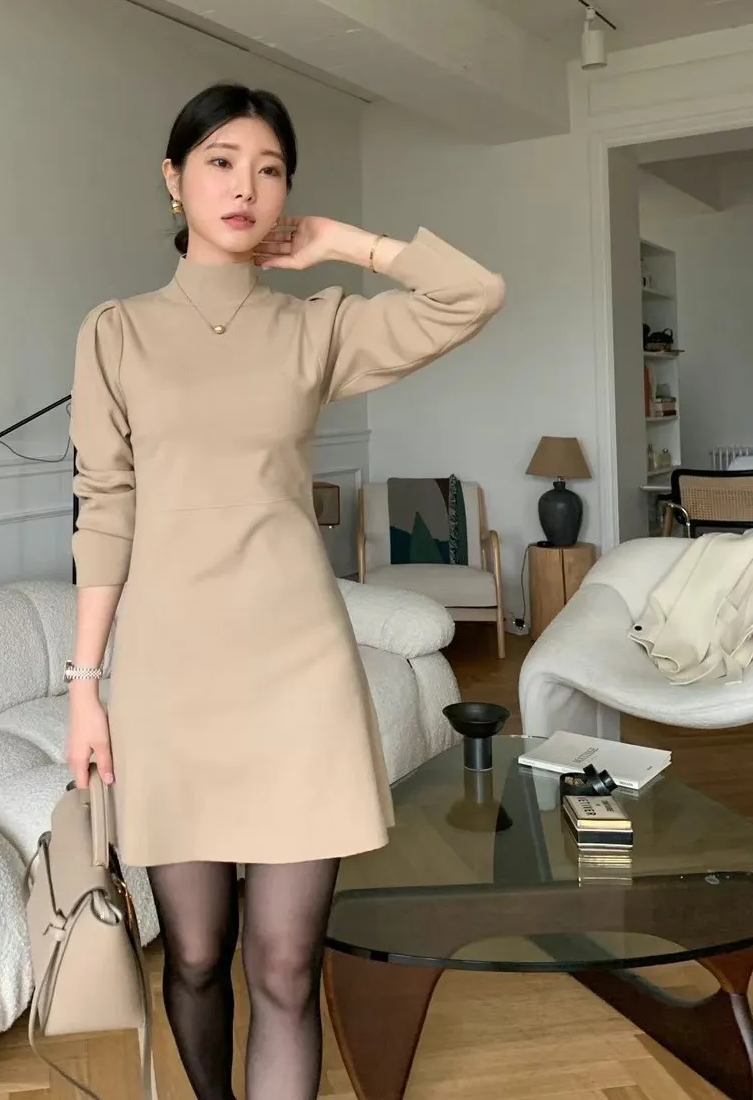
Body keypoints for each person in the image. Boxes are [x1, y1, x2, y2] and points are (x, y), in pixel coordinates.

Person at [65, 82, 505, 1100]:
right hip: (170, 677)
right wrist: (84, 686)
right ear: (173, 179)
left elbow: (472, 294)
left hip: (297, 670)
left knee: (285, 965)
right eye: (220, 162)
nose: (244, 187)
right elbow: (105, 509)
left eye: (269, 170)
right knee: (195, 955)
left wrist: (344, 243)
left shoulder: (318, 328)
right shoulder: (115, 332)